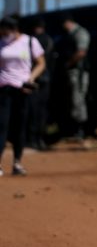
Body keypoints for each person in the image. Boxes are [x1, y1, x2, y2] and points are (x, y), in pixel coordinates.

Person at [0, 17, 46, 176]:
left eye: (6, 30)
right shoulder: (1, 43)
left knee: (19, 126)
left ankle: (17, 163)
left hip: (23, 89)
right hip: (4, 88)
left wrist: (30, 79)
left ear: (14, 29)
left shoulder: (29, 41)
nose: (5, 34)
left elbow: (41, 62)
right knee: (2, 125)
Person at [58, 15, 91, 140]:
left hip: (78, 71)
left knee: (78, 99)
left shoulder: (80, 33)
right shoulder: (69, 34)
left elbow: (81, 52)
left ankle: (80, 129)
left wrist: (68, 63)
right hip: (73, 71)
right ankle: (74, 129)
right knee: (73, 100)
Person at [25, 20, 53, 151]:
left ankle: (33, 139)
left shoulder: (31, 41)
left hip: (34, 78)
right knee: (40, 110)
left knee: (33, 109)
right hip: (45, 78)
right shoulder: (48, 39)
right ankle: (39, 139)